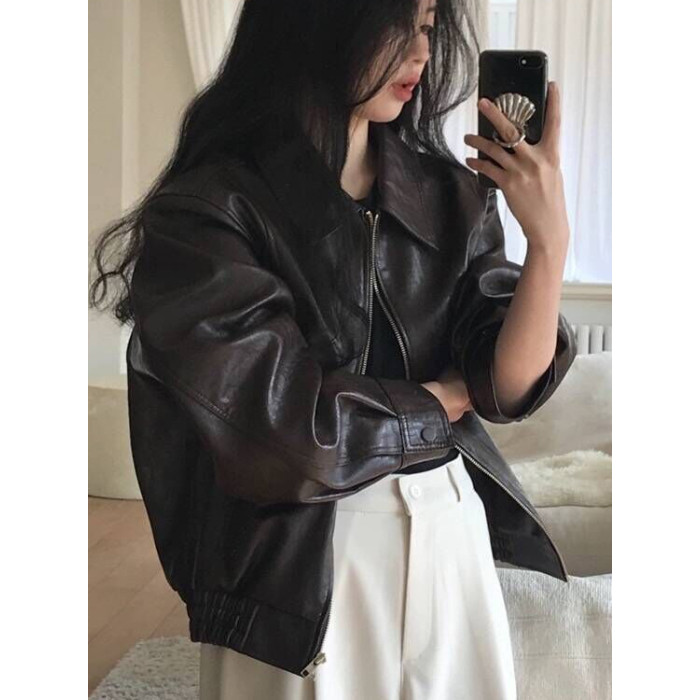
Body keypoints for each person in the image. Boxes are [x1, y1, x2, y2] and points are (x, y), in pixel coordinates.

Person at [89, 0, 576, 697]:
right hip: (299, 571)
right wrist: (436, 403)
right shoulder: (212, 211)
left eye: (428, 25)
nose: (420, 51)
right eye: (395, 23)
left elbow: (505, 387)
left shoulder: (450, 195)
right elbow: (282, 432)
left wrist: (549, 242)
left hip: (449, 537)